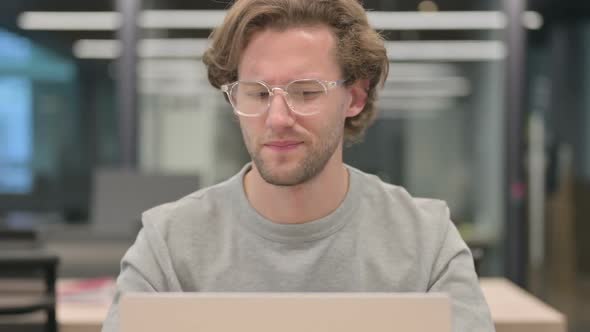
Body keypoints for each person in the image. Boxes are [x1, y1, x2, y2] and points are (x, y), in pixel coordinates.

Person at [102, 0, 494, 331]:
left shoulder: (426, 242)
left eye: (305, 92)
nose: (276, 118)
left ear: (355, 97)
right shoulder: (169, 245)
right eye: (256, 93)